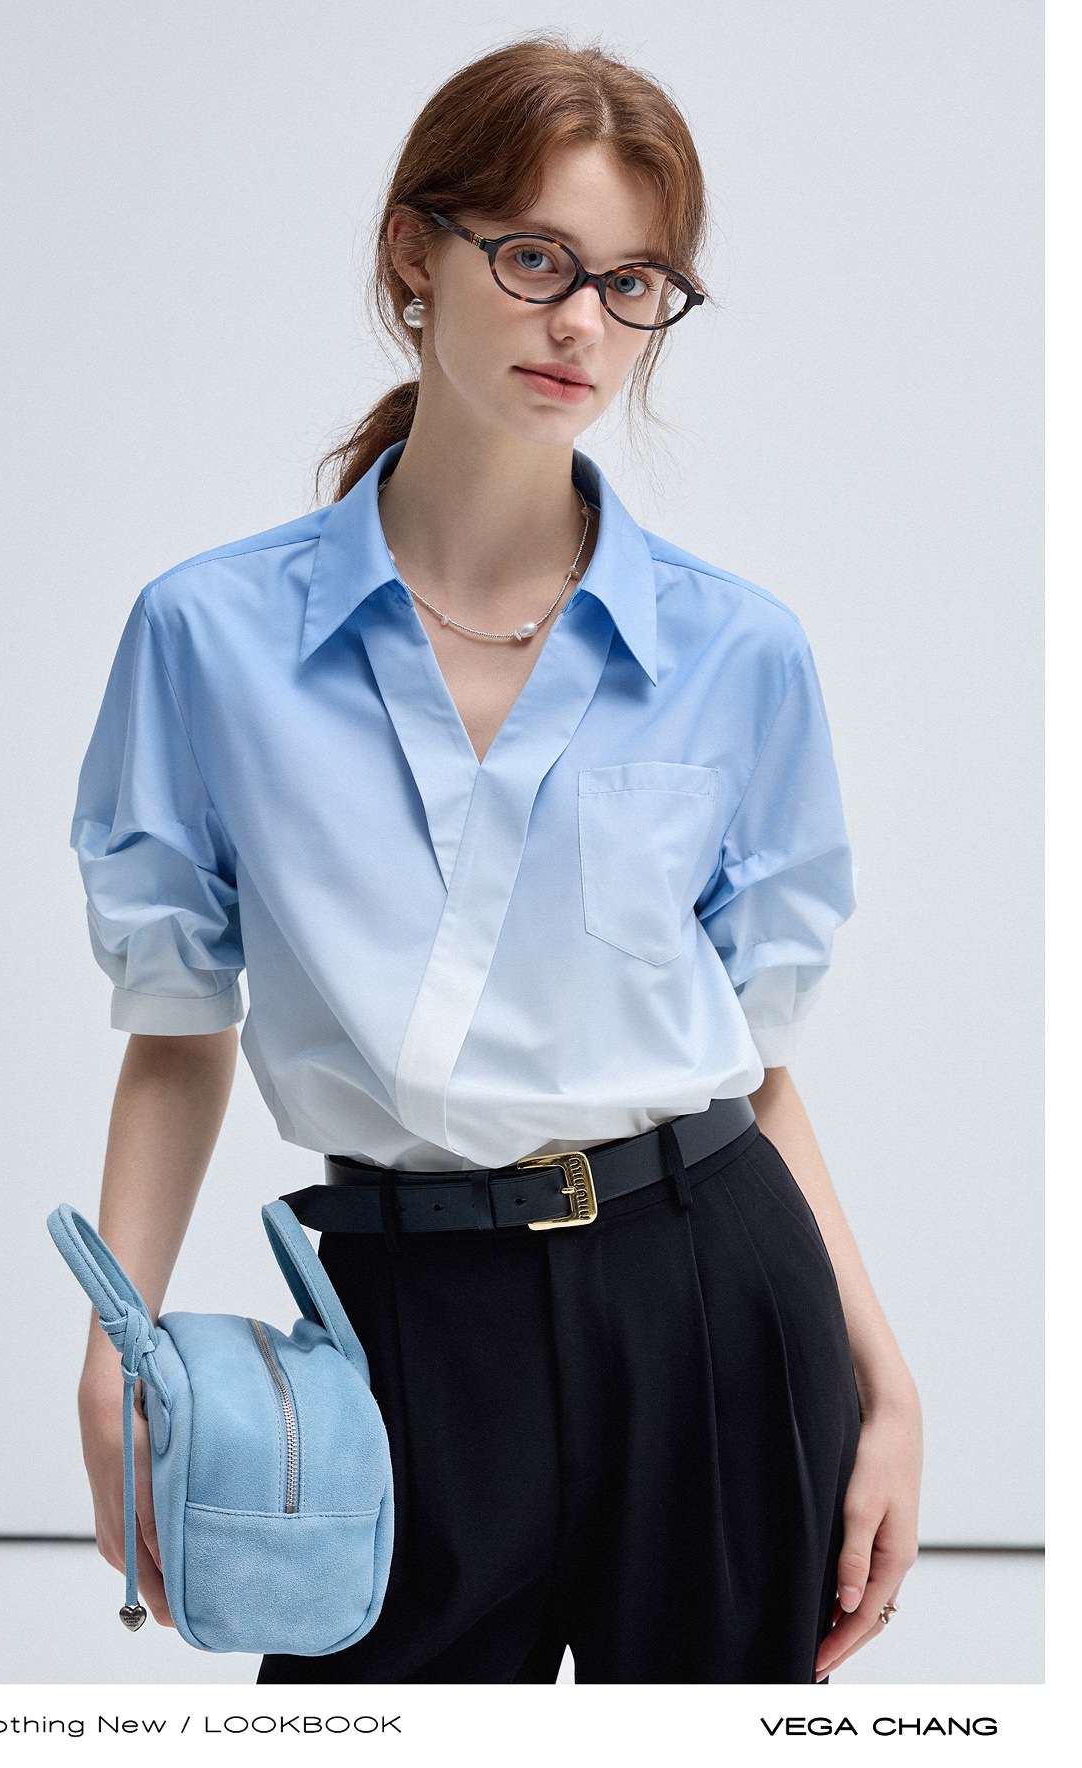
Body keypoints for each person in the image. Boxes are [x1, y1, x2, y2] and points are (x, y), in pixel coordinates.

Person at [70, 34, 922, 1685]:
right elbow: (176, 1031)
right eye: (535, 258)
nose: (581, 321)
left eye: (633, 282)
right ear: (416, 251)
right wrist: (116, 1341)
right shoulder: (208, 638)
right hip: (399, 1313)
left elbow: (750, 1069)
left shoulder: (739, 654)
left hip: (712, 1295)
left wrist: (884, 1379)